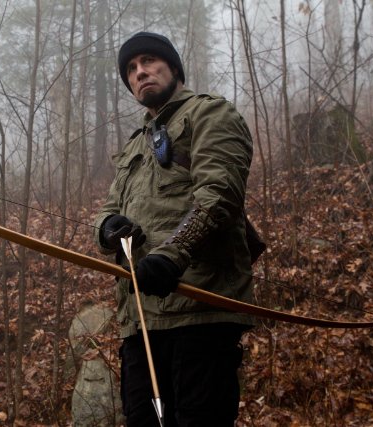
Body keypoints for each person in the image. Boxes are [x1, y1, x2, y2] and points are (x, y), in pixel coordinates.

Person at [94, 32, 255, 427]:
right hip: (141, 323)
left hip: (199, 309)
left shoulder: (210, 113)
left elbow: (220, 195)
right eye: (131, 69)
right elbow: (109, 207)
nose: (140, 72)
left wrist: (172, 254)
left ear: (174, 68)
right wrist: (108, 227)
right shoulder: (134, 145)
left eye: (149, 61)